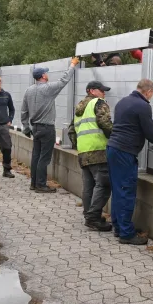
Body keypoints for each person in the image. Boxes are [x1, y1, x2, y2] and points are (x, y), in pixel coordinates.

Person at [107, 79, 153, 245]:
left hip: (112, 148)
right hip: (125, 152)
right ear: (148, 92)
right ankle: (126, 234)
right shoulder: (143, 105)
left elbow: (132, 122)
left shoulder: (123, 102)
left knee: (118, 190)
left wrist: (150, 123)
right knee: (126, 191)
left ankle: (119, 227)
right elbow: (150, 134)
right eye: (151, 95)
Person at [21, 57, 80, 193]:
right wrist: (72, 65)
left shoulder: (28, 90)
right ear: (43, 76)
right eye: (46, 73)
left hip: (35, 128)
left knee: (36, 155)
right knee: (44, 157)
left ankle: (34, 184)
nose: (47, 75)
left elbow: (24, 111)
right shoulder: (48, 88)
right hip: (47, 128)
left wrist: (25, 127)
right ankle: (41, 185)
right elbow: (64, 80)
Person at [67, 81, 114, 232]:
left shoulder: (80, 106)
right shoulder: (98, 103)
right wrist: (114, 138)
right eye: (101, 90)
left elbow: (71, 130)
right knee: (104, 185)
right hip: (98, 151)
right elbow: (104, 123)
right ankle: (93, 218)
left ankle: (89, 215)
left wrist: (78, 146)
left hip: (83, 152)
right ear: (92, 91)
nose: (104, 93)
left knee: (89, 186)